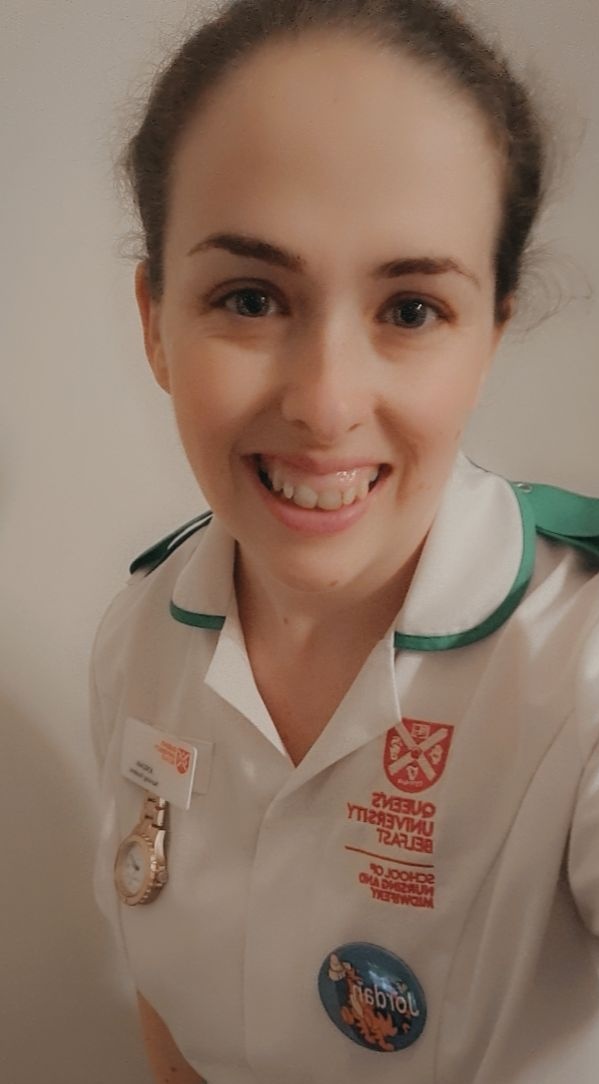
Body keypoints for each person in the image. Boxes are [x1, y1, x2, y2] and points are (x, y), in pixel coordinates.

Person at [90, 1, 599, 1082]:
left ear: (489, 336)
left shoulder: (581, 663)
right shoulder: (139, 640)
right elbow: (165, 1001)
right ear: (154, 323)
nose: (324, 404)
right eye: (250, 298)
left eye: (410, 310)